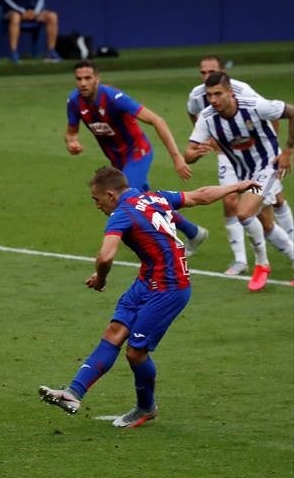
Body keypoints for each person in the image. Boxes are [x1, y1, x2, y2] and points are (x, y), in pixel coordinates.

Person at [39, 166, 261, 428]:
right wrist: (236, 187)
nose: (96, 205)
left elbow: (106, 255)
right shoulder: (155, 197)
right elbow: (201, 195)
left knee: (135, 353)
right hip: (148, 279)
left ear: (110, 194)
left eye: (96, 199)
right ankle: (73, 393)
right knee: (114, 332)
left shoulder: (121, 214)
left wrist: (101, 278)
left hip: (170, 287)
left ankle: (146, 407)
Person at [64, 60, 209, 255]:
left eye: (88, 78)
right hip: (117, 162)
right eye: (79, 79)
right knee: (149, 201)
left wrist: (176, 158)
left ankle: (145, 245)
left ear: (97, 79)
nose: (83, 83)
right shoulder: (74, 101)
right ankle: (193, 232)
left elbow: (157, 120)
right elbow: (71, 132)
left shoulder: (114, 98)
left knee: (126, 200)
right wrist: (72, 142)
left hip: (138, 152)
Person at [184, 71, 294, 291]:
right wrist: (197, 153)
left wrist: (288, 151)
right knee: (267, 225)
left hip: (268, 166)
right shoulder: (207, 118)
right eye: (209, 95)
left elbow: (292, 111)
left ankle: (262, 263)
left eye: (218, 94)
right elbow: (188, 154)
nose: (213, 100)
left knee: (243, 213)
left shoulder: (255, 106)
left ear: (230, 93)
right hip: (244, 173)